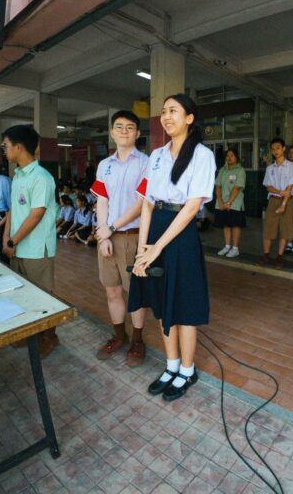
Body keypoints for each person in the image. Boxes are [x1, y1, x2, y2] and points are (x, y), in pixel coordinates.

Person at [129, 94, 216, 401]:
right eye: (164, 111)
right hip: (156, 227)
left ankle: (187, 370)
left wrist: (157, 247)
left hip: (181, 232)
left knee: (184, 307)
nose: (166, 117)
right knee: (164, 303)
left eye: (173, 111)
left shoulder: (202, 155)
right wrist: (143, 248)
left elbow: (192, 208)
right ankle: (171, 365)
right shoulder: (156, 155)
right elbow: (148, 203)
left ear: (189, 118)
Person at [91, 110, 150, 366]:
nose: (124, 131)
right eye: (119, 126)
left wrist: (111, 227)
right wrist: (103, 233)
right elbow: (101, 201)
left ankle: (137, 340)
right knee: (112, 291)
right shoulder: (105, 166)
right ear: (112, 132)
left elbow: (141, 204)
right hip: (108, 237)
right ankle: (119, 336)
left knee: (134, 292)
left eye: (130, 127)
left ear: (137, 133)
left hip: (132, 236)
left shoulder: (146, 163)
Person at [1, 125, 60, 358]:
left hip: (37, 249)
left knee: (43, 294)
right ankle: (32, 334)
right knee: (25, 294)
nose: (4, 150)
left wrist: (12, 241)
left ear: (18, 146)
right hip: (18, 247)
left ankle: (50, 337)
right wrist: (7, 238)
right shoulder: (17, 176)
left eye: (6, 146)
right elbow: (13, 211)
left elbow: (36, 215)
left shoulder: (41, 177)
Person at [257, 138, 293, 268]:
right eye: (273, 149)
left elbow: (290, 187)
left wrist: (283, 204)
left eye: (278, 148)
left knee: (285, 230)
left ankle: (279, 257)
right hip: (274, 200)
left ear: (283, 148)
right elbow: (268, 187)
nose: (275, 151)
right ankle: (266, 256)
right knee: (268, 229)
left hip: (288, 203)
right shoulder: (270, 168)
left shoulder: (292, 167)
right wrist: (281, 193)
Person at [214, 148, 246, 258]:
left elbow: (237, 188)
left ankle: (235, 248)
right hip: (222, 203)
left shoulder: (240, 170)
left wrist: (228, 203)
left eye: (232, 155)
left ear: (236, 157)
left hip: (235, 204)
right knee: (226, 225)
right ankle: (227, 246)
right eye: (227, 155)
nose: (229, 157)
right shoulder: (223, 170)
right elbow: (217, 186)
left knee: (235, 225)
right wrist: (220, 201)